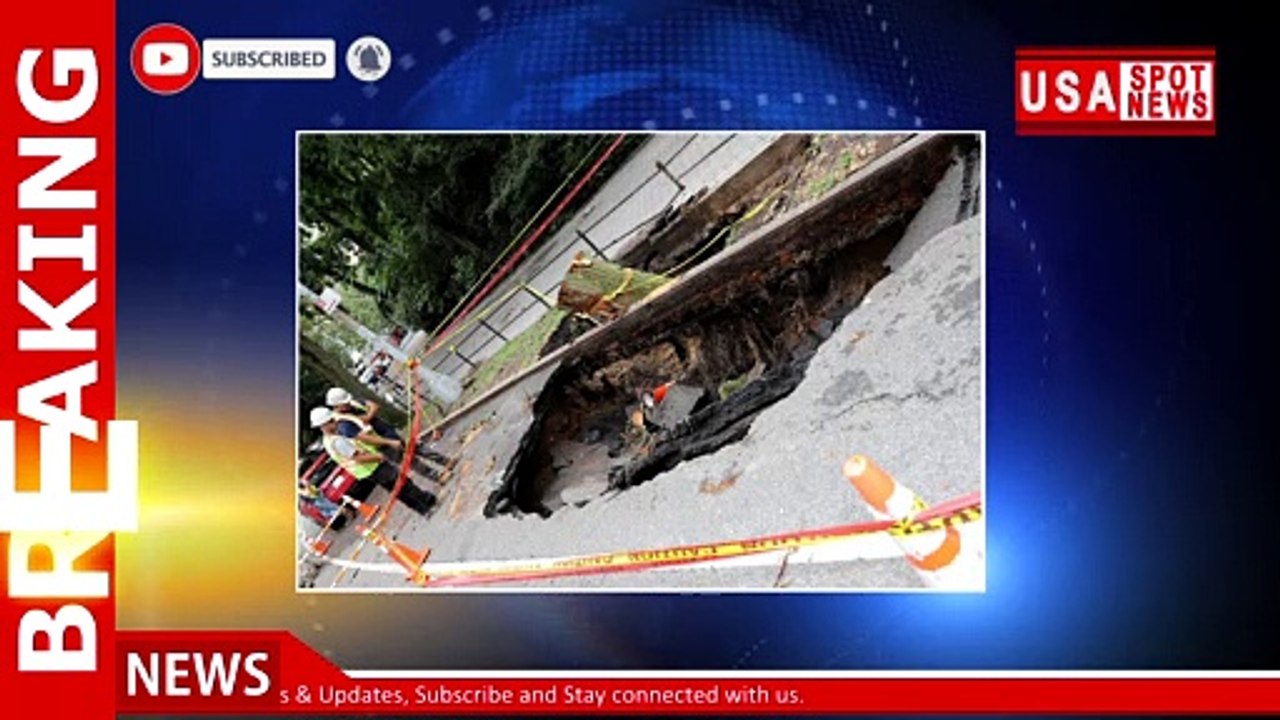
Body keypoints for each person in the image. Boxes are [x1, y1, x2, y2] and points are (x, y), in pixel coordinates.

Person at [309, 407, 437, 515]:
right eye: (331, 421)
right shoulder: (337, 441)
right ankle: (424, 501)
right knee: (403, 484)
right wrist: (379, 457)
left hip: (369, 471)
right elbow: (357, 457)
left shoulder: (329, 441)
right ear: (324, 425)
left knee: (398, 490)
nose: (335, 422)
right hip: (373, 467)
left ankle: (422, 507)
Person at [326, 387, 450, 469]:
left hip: (387, 431)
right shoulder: (343, 424)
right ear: (336, 405)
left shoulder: (354, 403)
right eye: (344, 403)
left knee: (416, 446)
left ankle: (445, 461)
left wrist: (368, 417)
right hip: (382, 445)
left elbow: (374, 406)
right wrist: (389, 442)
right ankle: (437, 476)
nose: (348, 403)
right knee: (410, 462)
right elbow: (364, 438)